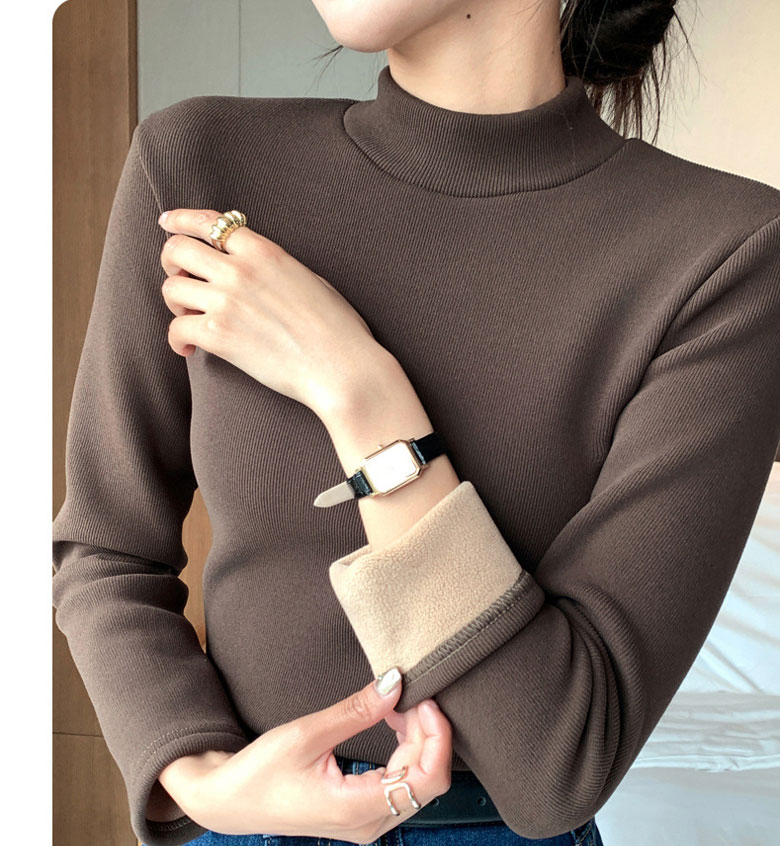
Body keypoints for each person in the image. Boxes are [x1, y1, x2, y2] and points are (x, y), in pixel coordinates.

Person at [51, 0, 780, 845]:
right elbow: (105, 550)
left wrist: (357, 392)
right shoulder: (199, 164)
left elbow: (556, 769)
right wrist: (200, 779)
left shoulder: (730, 255)